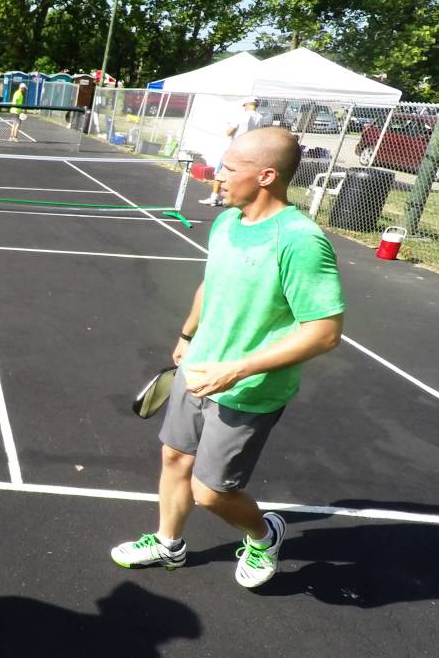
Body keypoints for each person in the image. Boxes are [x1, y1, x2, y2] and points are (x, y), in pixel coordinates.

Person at [110, 127, 345, 590]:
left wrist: (234, 369)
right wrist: (187, 333)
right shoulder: (227, 223)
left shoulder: (299, 241)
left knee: (212, 492)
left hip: (249, 388)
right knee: (174, 458)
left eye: (230, 169)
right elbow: (211, 283)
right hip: (198, 370)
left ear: (266, 175)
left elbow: (324, 333)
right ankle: (168, 543)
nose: (217, 176)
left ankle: (263, 534)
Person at [202, 96, 264, 207]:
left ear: (247, 104)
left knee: (220, 174)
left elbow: (229, 132)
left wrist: (228, 128)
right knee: (237, 175)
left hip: (234, 149)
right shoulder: (260, 118)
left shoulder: (241, 116)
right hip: (248, 151)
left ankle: (214, 198)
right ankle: (230, 200)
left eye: (244, 105)